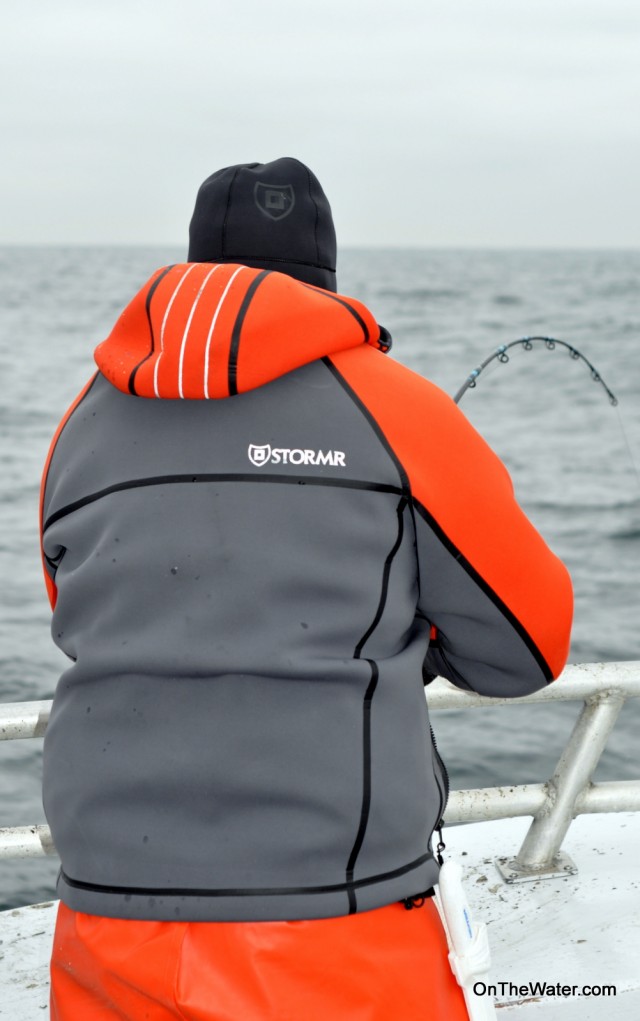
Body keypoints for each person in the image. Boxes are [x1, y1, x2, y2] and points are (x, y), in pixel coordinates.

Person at [40, 157, 573, 1020]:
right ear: (326, 278)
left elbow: (79, 614)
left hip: (104, 914)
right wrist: (413, 635)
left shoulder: (76, 427)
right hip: (334, 927)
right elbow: (529, 647)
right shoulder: (400, 409)